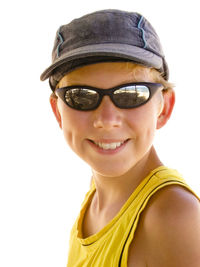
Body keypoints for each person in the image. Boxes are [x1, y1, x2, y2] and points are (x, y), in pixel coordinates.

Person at [40, 9, 200, 267]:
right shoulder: (94, 201)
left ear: (164, 108)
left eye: (132, 94)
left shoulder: (173, 216)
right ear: (57, 111)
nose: (106, 119)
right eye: (81, 95)